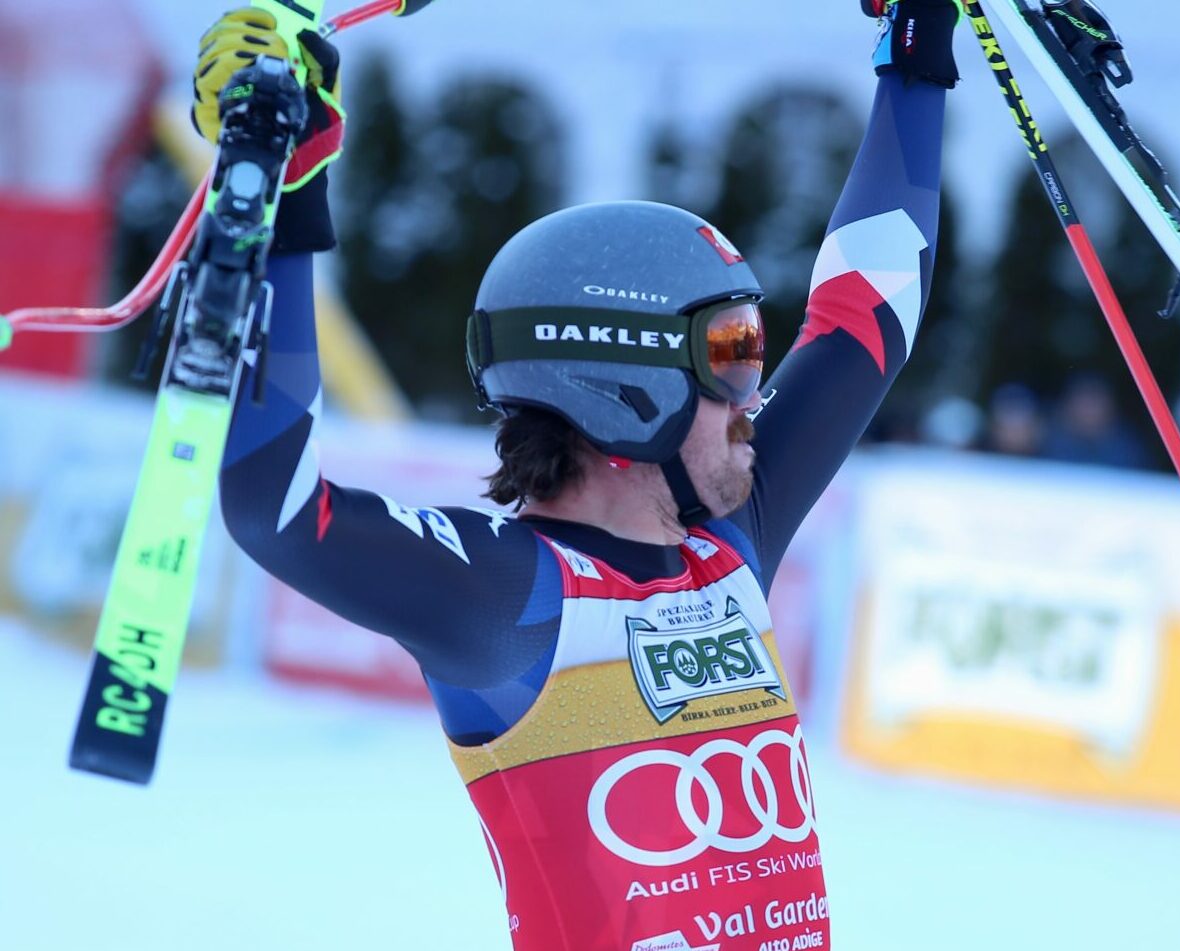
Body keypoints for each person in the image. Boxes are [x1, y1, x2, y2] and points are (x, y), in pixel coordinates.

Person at [207, 2, 961, 948]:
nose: (753, 394)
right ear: (624, 383)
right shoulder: (504, 594)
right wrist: (281, 205)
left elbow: (864, 319)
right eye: (728, 352)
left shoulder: (726, 548)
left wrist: (916, 52)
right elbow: (272, 509)